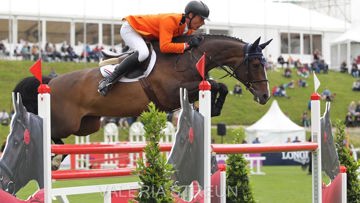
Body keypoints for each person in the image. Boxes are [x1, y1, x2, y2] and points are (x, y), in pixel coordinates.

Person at [98, 1, 210, 96]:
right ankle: (109, 80)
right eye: (201, 19)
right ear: (190, 15)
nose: (203, 23)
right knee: (143, 53)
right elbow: (165, 47)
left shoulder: (188, 29)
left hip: (145, 35)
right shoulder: (170, 20)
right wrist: (187, 45)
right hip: (131, 29)